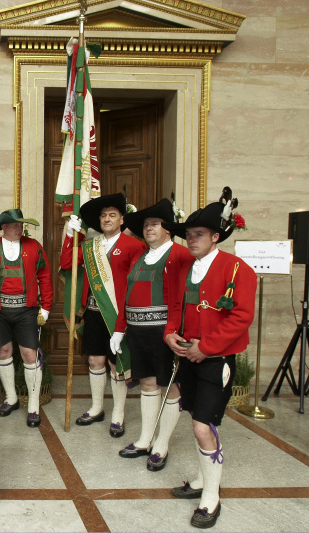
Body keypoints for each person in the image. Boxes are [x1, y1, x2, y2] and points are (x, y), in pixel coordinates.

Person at [162, 187, 256, 528]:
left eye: (198, 235)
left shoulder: (236, 269)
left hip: (216, 360)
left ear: (216, 236)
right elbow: (175, 307)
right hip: (187, 356)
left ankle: (211, 499)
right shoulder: (187, 267)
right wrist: (170, 333)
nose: (191, 240)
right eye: (188, 235)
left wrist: (207, 347)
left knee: (203, 427)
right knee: (198, 421)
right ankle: (204, 480)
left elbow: (241, 317)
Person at [110, 198, 194, 471]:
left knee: (170, 388)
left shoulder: (181, 255)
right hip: (137, 332)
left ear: (168, 229)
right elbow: (126, 296)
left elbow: (187, 297)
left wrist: (176, 331)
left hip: (164, 334)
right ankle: (145, 439)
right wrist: (120, 328)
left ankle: (162, 444)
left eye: (155, 224)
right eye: (146, 225)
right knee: (147, 384)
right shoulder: (140, 257)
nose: (149, 229)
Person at [60, 192, 146, 437]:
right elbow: (67, 264)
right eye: (103, 216)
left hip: (119, 316)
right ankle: (97, 408)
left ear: (122, 220)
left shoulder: (134, 246)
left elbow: (136, 285)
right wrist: (69, 237)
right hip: (95, 315)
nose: (107, 219)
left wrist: (125, 322)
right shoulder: (89, 246)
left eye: (112, 215)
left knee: (116, 364)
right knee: (95, 361)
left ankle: (118, 414)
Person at [0, 209, 53, 428]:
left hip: (27, 310)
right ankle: (11, 398)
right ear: (3, 227)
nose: (19, 228)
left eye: (21, 225)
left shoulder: (35, 247)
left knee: (30, 355)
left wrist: (47, 308)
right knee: (3, 351)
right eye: (14, 225)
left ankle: (33, 405)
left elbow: (45, 277)